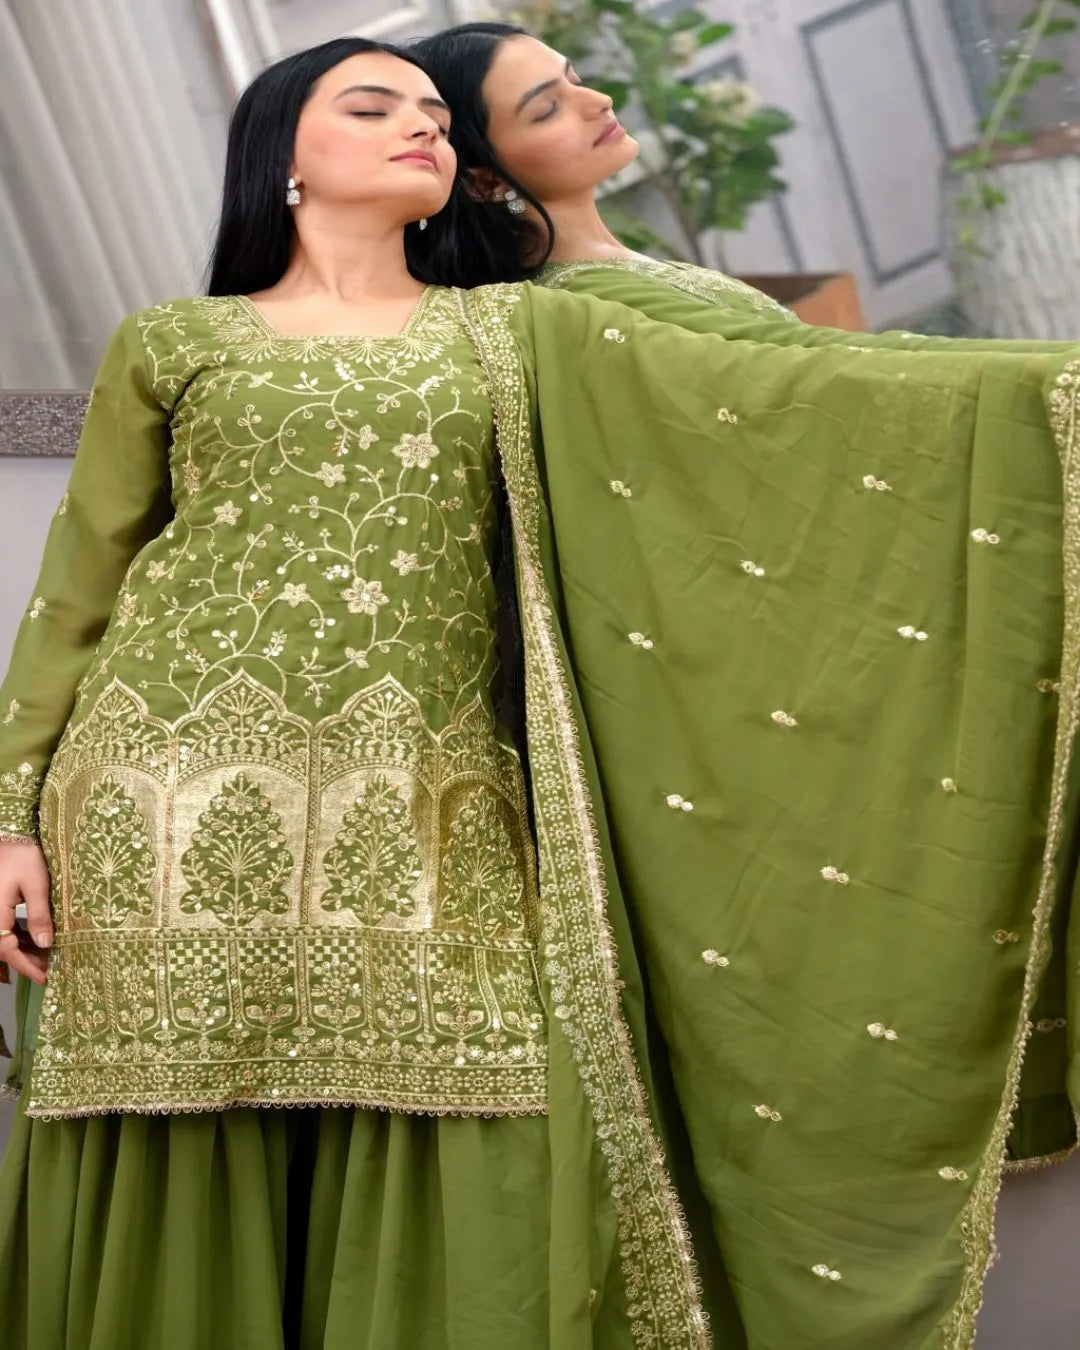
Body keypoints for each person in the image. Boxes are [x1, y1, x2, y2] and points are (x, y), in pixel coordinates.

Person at [1, 33, 1079, 1350]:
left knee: (499, 1121)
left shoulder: (519, 326)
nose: (420, 127)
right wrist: (11, 815)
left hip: (430, 802)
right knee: (181, 1129)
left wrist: (1054, 387)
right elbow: (79, 591)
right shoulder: (176, 340)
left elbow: (772, 383)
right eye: (371, 104)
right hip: (157, 799)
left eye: (437, 117)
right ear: (282, 150)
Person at [414, 23, 1074, 357]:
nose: (598, 101)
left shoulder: (600, 274)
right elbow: (810, 372)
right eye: (547, 108)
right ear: (483, 176)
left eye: (577, 77)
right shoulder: (588, 304)